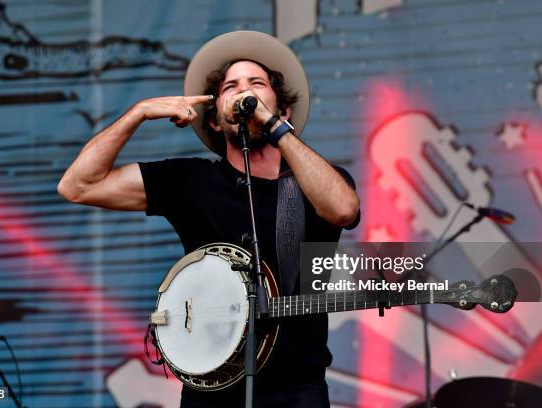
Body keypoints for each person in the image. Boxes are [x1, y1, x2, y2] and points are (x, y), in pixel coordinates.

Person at [58, 31, 360, 408]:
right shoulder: (192, 181)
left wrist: (273, 126)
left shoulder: (313, 183)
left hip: (297, 388)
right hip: (211, 387)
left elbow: (344, 210)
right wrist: (137, 113)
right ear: (216, 120)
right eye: (230, 87)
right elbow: (78, 185)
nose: (242, 92)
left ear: (282, 110)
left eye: (256, 84)